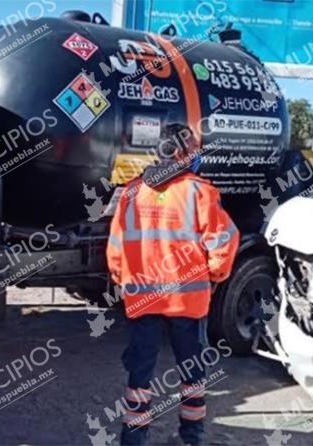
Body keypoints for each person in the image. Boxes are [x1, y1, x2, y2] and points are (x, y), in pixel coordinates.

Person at [106, 124, 240, 446]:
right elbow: (225, 240)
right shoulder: (200, 192)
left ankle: (132, 440)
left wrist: (122, 279)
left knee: (140, 375)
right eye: (194, 148)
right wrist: (215, 274)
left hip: (142, 299)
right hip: (187, 301)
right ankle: (190, 438)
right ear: (183, 152)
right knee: (192, 374)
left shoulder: (132, 192)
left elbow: (115, 247)